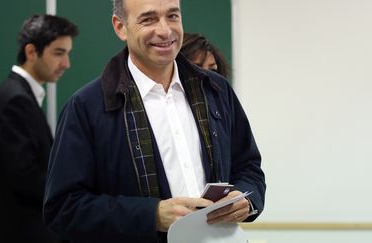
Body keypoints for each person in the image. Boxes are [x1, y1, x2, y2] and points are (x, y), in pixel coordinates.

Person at [43, 0, 265, 242]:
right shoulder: (87, 107)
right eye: (148, 19)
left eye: (172, 16)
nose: (165, 30)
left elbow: (249, 166)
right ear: (120, 27)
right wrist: (152, 215)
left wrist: (246, 198)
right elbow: (63, 208)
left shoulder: (215, 89)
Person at [0, 14, 78, 243]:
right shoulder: (16, 100)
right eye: (58, 53)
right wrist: (75, 192)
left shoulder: (17, 95)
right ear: (31, 52)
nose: (66, 64)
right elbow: (26, 177)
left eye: (67, 53)